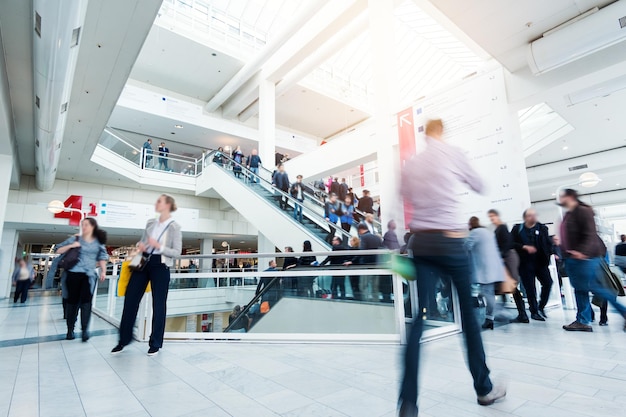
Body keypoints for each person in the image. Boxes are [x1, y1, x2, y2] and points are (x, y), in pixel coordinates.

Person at [398, 119, 504, 416]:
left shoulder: (412, 164)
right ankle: (484, 388)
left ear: (424, 134)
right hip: (452, 243)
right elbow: (481, 185)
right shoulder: (452, 153)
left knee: (418, 321)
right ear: (441, 132)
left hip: (422, 244)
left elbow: (402, 200)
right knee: (468, 317)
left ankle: (408, 403)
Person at [112, 194, 183, 356]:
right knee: (130, 300)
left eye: (160, 201)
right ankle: (123, 340)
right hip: (142, 261)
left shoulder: (174, 227)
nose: (156, 203)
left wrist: (158, 246)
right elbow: (142, 241)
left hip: (161, 265)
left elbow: (177, 252)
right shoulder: (150, 223)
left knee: (159, 305)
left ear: (167, 205)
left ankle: (155, 342)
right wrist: (140, 245)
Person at [559, 189, 626, 332]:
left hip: (584, 258)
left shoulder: (583, 211)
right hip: (574, 258)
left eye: (562, 197)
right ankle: (583, 320)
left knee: (595, 288)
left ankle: (585, 319)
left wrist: (582, 252)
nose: (560, 199)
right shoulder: (570, 214)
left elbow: (590, 234)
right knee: (581, 289)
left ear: (569, 197)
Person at [56, 218, 108, 342]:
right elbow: (58, 249)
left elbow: (102, 257)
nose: (83, 227)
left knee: (86, 303)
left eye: (86, 225)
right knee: (72, 303)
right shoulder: (75, 239)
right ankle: (70, 330)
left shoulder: (98, 242)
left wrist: (103, 271)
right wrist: (72, 245)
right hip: (73, 274)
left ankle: (85, 331)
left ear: (93, 227)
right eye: (82, 225)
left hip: (89, 276)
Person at [511, 208, 553, 322]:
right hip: (525, 263)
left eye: (534, 215)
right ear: (525, 217)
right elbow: (511, 243)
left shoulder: (542, 228)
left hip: (540, 262)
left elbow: (547, 243)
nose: (533, 217)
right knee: (530, 288)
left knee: (548, 283)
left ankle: (541, 306)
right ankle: (534, 311)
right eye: (530, 215)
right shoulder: (517, 229)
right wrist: (523, 247)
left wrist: (550, 252)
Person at [487, 209, 529, 323]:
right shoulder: (500, 228)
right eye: (490, 217)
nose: (491, 219)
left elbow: (506, 244)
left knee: (511, 285)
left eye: (492, 216)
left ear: (497, 216)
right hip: (506, 258)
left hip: (508, 258)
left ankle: (522, 315)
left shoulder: (502, 228)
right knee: (507, 285)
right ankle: (521, 314)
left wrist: (500, 257)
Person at [465, 217, 504, 330]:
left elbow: (467, 246)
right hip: (492, 267)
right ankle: (489, 318)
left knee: (486, 292)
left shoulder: (475, 232)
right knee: (488, 292)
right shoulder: (487, 232)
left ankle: (490, 318)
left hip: (484, 268)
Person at [345, 223, 383, 301]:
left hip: (367, 265)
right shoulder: (377, 238)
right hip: (377, 265)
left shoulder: (364, 237)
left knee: (363, 286)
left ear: (360, 230)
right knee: (375, 287)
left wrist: (352, 261)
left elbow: (361, 251)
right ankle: (377, 303)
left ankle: (366, 303)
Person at [347, 236, 362, 300]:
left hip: (355, 268)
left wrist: (351, 261)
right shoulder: (354, 249)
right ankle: (356, 296)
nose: (350, 242)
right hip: (354, 268)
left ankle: (357, 297)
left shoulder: (356, 249)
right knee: (354, 284)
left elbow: (357, 256)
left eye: (351, 241)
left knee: (355, 283)